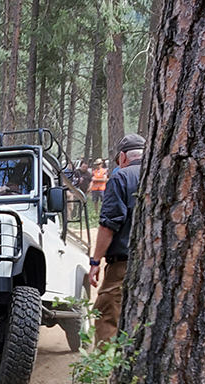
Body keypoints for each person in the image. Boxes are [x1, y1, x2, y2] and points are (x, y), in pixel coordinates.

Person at [89, 133, 145, 346]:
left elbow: (108, 226)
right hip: (156, 264)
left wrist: (95, 262)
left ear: (123, 157)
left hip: (123, 263)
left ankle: (105, 373)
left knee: (106, 314)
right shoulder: (161, 175)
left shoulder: (121, 177)